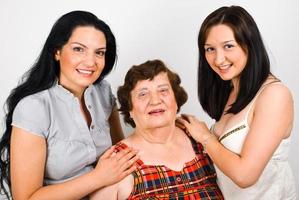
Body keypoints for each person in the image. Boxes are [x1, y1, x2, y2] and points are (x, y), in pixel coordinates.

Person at [0, 10, 139, 199]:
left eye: (99, 53)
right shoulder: (34, 108)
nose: (91, 62)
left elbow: (120, 150)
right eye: (78, 49)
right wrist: (97, 178)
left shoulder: (102, 92)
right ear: (57, 51)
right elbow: (25, 198)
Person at [176, 5, 296, 199]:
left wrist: (206, 137)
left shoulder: (274, 94)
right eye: (210, 49)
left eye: (228, 46)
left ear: (249, 44)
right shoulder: (230, 91)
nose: (218, 59)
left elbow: (245, 175)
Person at [90, 59, 224, 199]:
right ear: (129, 108)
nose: (155, 101)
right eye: (143, 94)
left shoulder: (202, 140)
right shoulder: (117, 163)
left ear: (176, 100)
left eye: (163, 90)